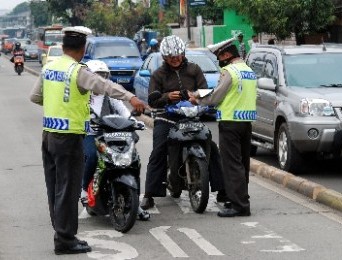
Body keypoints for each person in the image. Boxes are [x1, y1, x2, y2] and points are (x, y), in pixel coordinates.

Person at [29, 26, 146, 255]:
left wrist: (58, 105)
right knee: (69, 189)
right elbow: (104, 86)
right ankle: (65, 240)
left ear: (63, 46)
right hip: (70, 138)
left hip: (49, 136)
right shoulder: (77, 71)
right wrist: (131, 96)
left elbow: (35, 97)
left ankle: (61, 234)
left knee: (55, 188)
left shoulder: (50, 68)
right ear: (82, 49)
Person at [140, 35, 227, 210]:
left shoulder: (194, 69)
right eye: (171, 57)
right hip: (166, 118)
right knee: (158, 151)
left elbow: (204, 92)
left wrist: (196, 96)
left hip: (191, 116)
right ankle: (149, 195)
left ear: (183, 53)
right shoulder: (158, 75)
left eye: (178, 55)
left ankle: (222, 190)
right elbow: (152, 100)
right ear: (164, 57)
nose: (175, 59)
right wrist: (166, 97)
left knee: (213, 147)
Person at [189, 37, 257, 217]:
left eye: (220, 58)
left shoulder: (230, 71)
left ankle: (239, 206)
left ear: (227, 55)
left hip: (230, 123)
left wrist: (197, 99)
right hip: (246, 123)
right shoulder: (248, 70)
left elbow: (216, 97)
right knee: (243, 163)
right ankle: (241, 198)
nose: (219, 62)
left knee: (232, 165)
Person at [80, 59, 150, 221]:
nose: (100, 80)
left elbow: (123, 111)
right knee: (91, 155)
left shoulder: (109, 94)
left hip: (111, 134)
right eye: (97, 76)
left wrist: (134, 122)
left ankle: (135, 202)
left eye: (103, 76)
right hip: (90, 134)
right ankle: (84, 189)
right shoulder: (82, 95)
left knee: (133, 159)